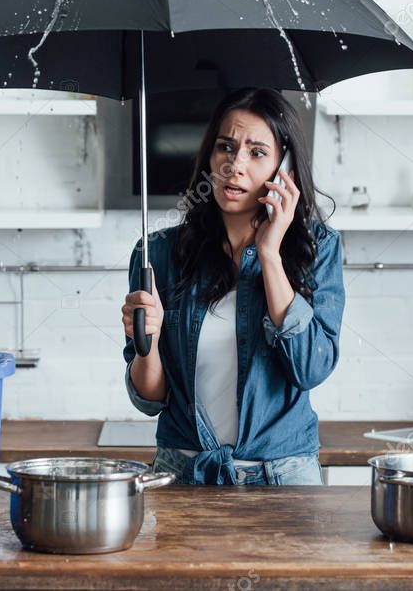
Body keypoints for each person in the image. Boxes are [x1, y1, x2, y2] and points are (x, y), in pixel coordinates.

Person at [120, 87, 344, 485]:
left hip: (283, 477)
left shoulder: (318, 249)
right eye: (226, 147)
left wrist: (270, 255)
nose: (234, 165)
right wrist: (148, 343)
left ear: (284, 169)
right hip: (183, 473)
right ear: (209, 155)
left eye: (257, 152)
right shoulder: (158, 254)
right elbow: (150, 399)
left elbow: (310, 368)